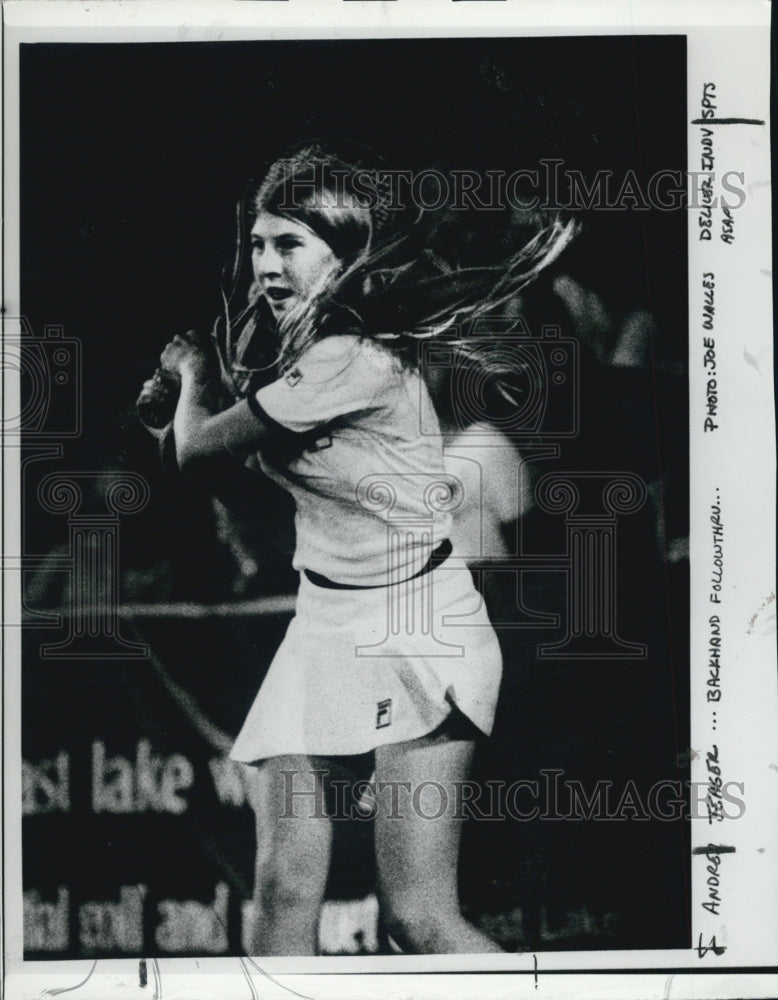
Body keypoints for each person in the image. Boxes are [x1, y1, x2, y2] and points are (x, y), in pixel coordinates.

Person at [139, 141, 577, 956]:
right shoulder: (298, 353)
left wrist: (191, 373)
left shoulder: (350, 358)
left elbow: (198, 453)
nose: (266, 264)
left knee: (418, 918)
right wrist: (174, 414)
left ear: (341, 256)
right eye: (259, 244)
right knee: (281, 896)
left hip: (418, 627)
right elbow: (216, 469)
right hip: (324, 628)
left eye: (290, 244)